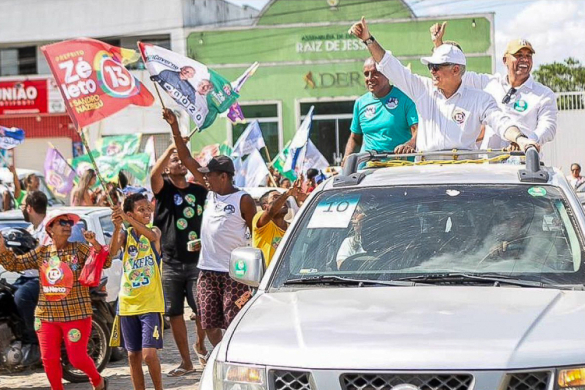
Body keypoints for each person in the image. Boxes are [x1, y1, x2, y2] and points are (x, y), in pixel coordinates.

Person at [348, 17, 540, 153]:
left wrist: (522, 140)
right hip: (427, 174)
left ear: (456, 70)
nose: (431, 71)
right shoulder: (423, 89)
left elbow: (501, 123)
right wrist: (368, 39)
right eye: (430, 66)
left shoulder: (480, 99)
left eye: (437, 66)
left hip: (464, 172)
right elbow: (391, 67)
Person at [164, 108, 256, 349]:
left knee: (233, 322)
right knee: (208, 323)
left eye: (210, 175)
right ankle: (222, 353)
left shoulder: (243, 200)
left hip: (234, 273)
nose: (204, 178)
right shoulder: (209, 192)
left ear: (224, 177)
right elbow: (186, 159)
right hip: (206, 270)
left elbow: (256, 232)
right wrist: (175, 127)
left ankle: (236, 355)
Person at [0, 210, 113, 390]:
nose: (68, 226)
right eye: (62, 223)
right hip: (47, 317)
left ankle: (97, 380)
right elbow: (14, 264)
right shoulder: (42, 253)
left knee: (77, 358)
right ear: (50, 229)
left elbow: (105, 262)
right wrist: (2, 248)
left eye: (69, 223)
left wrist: (94, 244)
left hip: (76, 314)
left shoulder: (79, 249)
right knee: (49, 359)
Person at [431, 22, 558, 149]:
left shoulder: (544, 94)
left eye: (528, 56)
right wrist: (438, 46)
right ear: (504, 60)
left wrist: (526, 141)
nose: (524, 60)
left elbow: (548, 127)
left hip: (524, 162)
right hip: (490, 164)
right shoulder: (489, 83)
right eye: (518, 56)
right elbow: (455, 73)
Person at [151, 113, 209, 376]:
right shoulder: (163, 189)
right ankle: (186, 362)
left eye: (180, 160)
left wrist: (181, 150)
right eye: (173, 160)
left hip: (198, 262)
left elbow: (193, 165)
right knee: (174, 314)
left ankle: (200, 345)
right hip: (171, 264)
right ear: (167, 167)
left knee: (203, 313)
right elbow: (153, 173)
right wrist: (171, 148)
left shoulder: (199, 190)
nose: (179, 163)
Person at [109, 194, 164, 390]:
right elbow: (112, 252)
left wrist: (126, 218)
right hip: (127, 305)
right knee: (133, 356)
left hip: (150, 303)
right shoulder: (126, 235)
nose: (147, 212)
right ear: (131, 213)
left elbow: (152, 237)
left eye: (148, 208)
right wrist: (117, 226)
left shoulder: (154, 231)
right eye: (142, 210)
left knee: (149, 354)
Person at [344, 57, 419, 161]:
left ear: (387, 74)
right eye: (366, 74)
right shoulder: (360, 103)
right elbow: (355, 138)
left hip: (401, 168)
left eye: (375, 73)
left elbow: (418, 131)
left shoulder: (405, 98)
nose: (370, 78)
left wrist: (409, 145)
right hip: (370, 169)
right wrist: (347, 158)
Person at [253, 179, 303, 267]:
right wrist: (286, 194)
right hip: (265, 279)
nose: (283, 201)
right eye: (276, 197)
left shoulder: (292, 228)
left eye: (283, 198)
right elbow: (271, 210)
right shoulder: (259, 219)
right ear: (265, 206)